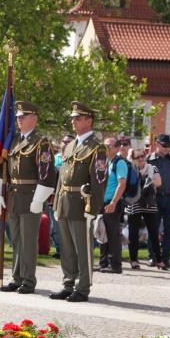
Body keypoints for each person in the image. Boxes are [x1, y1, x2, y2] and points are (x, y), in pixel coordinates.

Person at [0, 101, 56, 294]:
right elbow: (4, 166)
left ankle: (28, 280)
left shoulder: (41, 142)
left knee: (28, 241)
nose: (19, 120)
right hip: (13, 196)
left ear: (34, 118)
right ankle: (16, 277)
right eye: (18, 117)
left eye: (23, 116)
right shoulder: (13, 140)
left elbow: (47, 174)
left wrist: (39, 199)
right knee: (15, 239)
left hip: (31, 196)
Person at [51, 101, 104, 303]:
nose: (73, 121)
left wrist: (93, 207)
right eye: (73, 118)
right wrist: (57, 202)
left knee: (82, 248)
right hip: (64, 201)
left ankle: (83, 287)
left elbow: (99, 181)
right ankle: (68, 283)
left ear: (89, 120)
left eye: (78, 118)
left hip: (82, 203)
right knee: (66, 247)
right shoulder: (71, 145)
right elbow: (62, 177)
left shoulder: (96, 148)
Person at [147, 133, 170, 269]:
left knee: (169, 230)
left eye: (169, 145)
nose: (167, 148)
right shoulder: (149, 159)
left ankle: (166, 258)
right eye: (164, 145)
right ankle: (153, 257)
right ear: (157, 144)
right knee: (153, 229)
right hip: (155, 198)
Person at [126, 147, 162, 269]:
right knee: (133, 234)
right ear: (133, 158)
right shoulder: (130, 169)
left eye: (143, 156)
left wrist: (149, 179)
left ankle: (159, 259)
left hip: (149, 204)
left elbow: (159, 183)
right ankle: (134, 260)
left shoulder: (152, 168)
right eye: (137, 157)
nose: (141, 159)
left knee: (153, 233)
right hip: (134, 203)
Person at [98, 137, 130, 274]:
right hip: (102, 202)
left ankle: (116, 265)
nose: (106, 148)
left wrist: (113, 202)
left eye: (109, 146)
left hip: (112, 203)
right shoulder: (104, 162)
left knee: (112, 234)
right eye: (104, 145)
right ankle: (103, 263)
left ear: (117, 148)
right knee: (102, 232)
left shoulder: (120, 163)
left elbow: (122, 184)